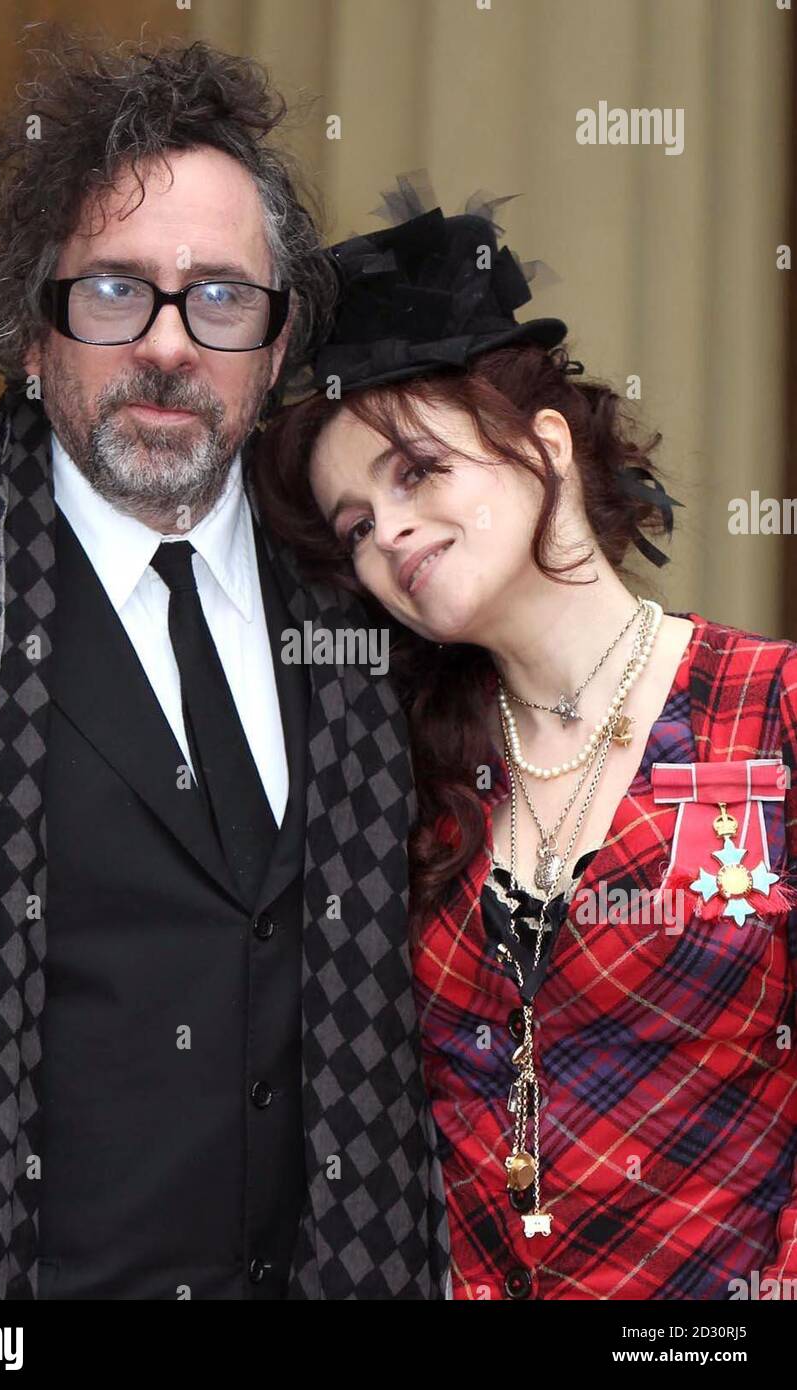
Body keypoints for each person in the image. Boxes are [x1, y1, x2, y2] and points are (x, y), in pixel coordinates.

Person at [0, 37, 450, 1301]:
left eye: (221, 298)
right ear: (34, 332)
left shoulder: (379, 611)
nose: (173, 346)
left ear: (278, 341)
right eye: (117, 291)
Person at [252, 174, 797, 1300]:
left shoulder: (770, 709)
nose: (388, 530)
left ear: (545, 443)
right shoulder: (403, 774)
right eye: (355, 524)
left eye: (417, 470)